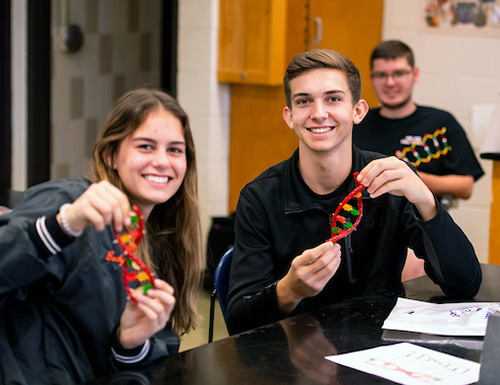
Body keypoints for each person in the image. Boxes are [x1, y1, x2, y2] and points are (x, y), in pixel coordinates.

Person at [225, 49, 482, 335]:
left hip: (380, 350)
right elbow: (238, 320)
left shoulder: (390, 184)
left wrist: (424, 199)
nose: (319, 113)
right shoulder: (260, 198)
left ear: (358, 111)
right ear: (289, 116)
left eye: (333, 98)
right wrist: (289, 290)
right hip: (292, 356)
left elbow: (465, 283)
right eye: (303, 101)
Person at [0, 88, 203, 384]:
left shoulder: (166, 239)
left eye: (174, 149)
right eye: (145, 146)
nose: (162, 161)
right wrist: (64, 224)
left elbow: (158, 351)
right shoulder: (68, 201)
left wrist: (128, 345)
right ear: (111, 155)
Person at [353, 40, 484, 203]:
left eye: (399, 73)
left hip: (418, 220)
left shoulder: (441, 123)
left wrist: (409, 176)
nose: (390, 83)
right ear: (371, 78)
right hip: (360, 217)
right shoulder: (356, 122)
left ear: (415, 74)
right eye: (381, 75)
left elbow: (465, 187)